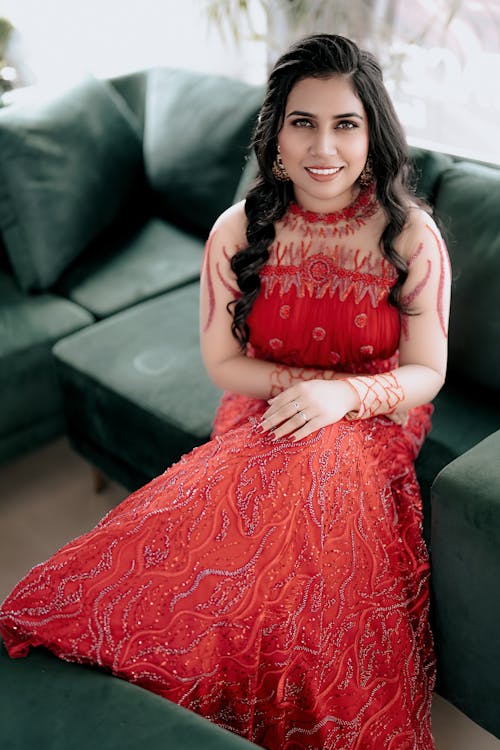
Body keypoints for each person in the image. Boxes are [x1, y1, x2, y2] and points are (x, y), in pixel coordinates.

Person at [0, 34, 451, 750]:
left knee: (316, 503)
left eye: (345, 124)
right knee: (221, 541)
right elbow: (222, 362)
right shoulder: (236, 231)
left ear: (374, 135)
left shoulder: (410, 237)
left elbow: (428, 371)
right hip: (263, 405)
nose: (323, 146)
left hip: (375, 413)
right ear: (275, 135)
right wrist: (301, 391)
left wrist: (340, 399)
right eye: (303, 122)